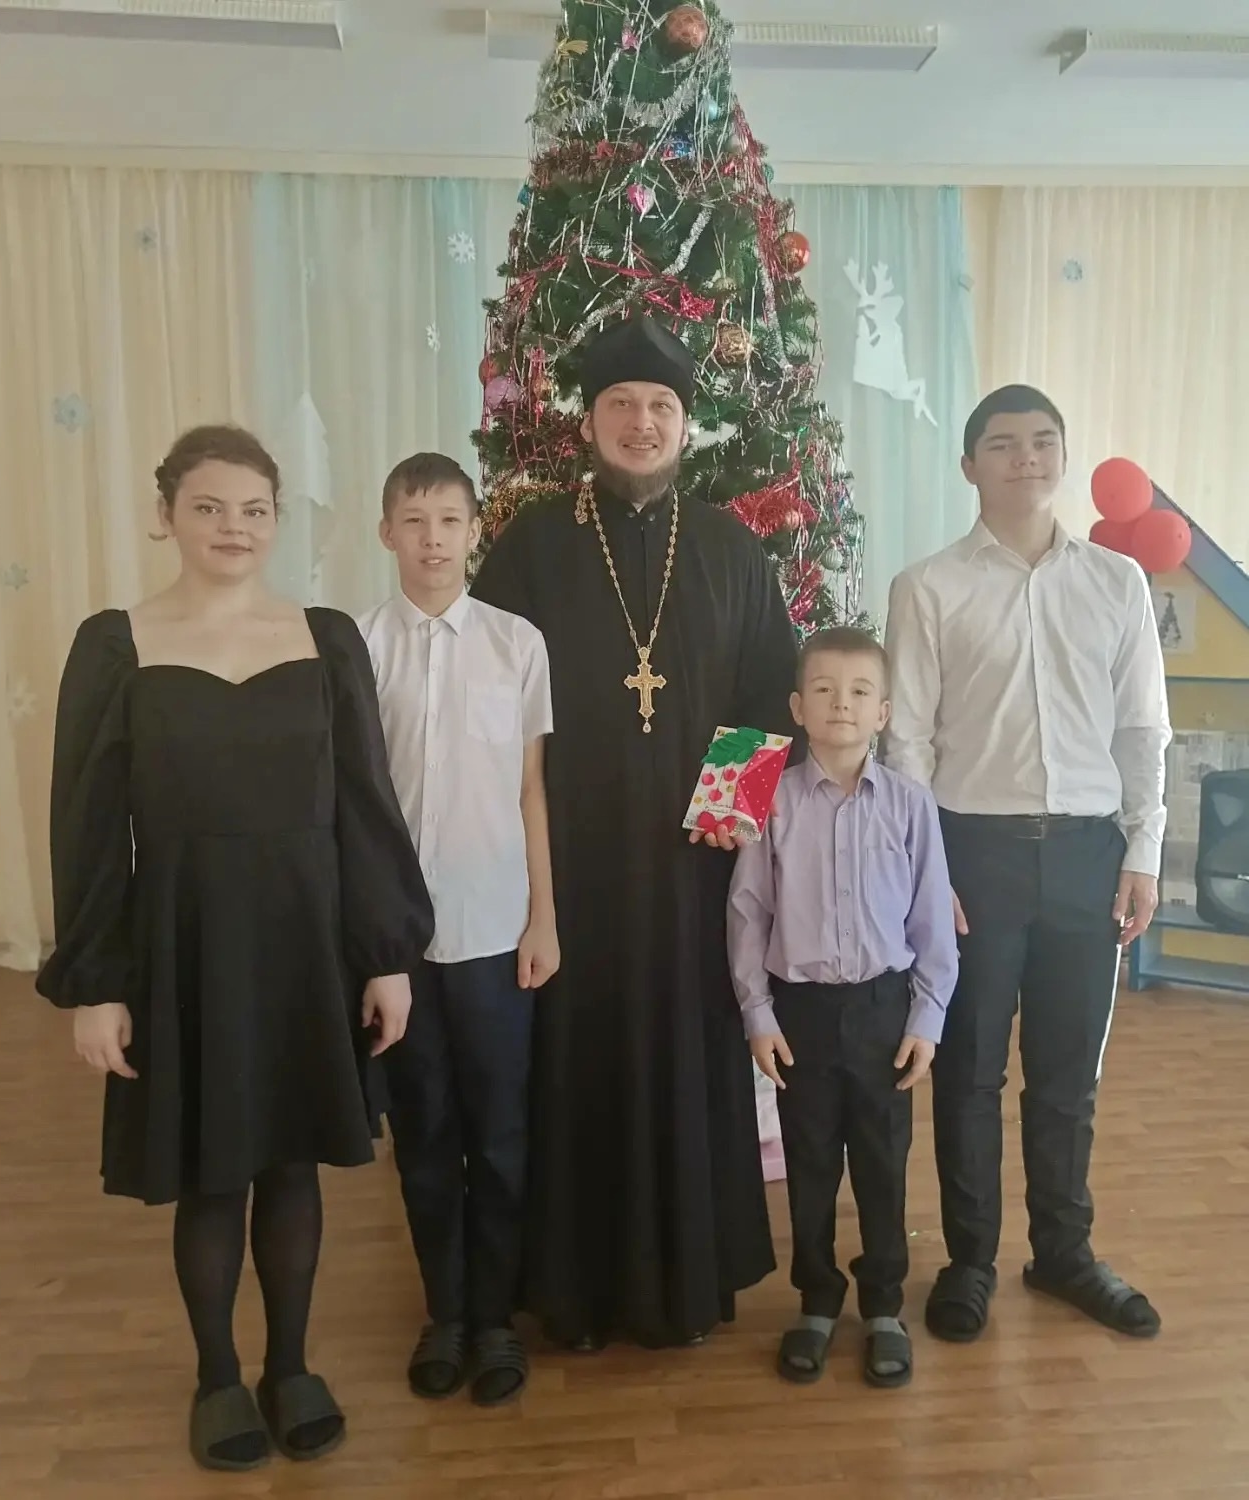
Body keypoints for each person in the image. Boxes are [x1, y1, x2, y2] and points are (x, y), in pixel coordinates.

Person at [36, 425, 434, 1472]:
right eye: (209, 507)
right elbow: (86, 826)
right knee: (213, 1174)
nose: (234, 527)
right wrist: (96, 983)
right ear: (165, 514)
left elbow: (366, 806)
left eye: (255, 510)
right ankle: (217, 1377)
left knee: (293, 1163)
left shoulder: (325, 638)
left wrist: (386, 953)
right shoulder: (115, 644)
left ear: (277, 520)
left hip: (306, 940)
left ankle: (289, 1366)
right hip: (186, 939)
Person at [470, 314, 799, 1349]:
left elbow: (769, 686)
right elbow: (488, 695)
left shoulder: (730, 547)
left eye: (660, 406)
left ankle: (687, 1283)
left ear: (685, 423)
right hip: (569, 861)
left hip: (694, 864)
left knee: (688, 1058)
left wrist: (729, 805)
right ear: (589, 421)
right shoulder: (531, 544)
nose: (641, 422)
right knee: (575, 1064)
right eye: (621, 404)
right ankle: (574, 1289)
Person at [884, 385, 1169, 1344]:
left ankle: (1064, 1254)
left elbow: (1142, 728)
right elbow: (908, 743)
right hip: (973, 857)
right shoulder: (927, 587)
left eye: (1043, 442)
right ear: (970, 465)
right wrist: (926, 873)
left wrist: (1143, 851)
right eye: (1003, 445)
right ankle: (969, 1260)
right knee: (967, 1073)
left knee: (1066, 1075)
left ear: (1062, 457)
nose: (1026, 459)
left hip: (1090, 855)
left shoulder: (1117, 583)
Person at [357, 453, 556, 1407]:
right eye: (414, 520)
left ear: (475, 532)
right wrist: (367, 942)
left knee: (502, 1133)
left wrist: (543, 916)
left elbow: (531, 790)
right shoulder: (357, 647)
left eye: (449, 521)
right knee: (426, 1131)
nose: (432, 539)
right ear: (386, 531)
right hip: (400, 947)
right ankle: (444, 1312)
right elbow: (353, 805)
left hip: (495, 929)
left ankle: (496, 1318)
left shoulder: (518, 644)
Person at [728, 627, 957, 1389]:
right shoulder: (767, 797)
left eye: (860, 692)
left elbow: (931, 921)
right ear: (797, 707)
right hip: (801, 1015)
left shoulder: (911, 804)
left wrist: (926, 1020)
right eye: (823, 690)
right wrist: (758, 1014)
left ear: (883, 712)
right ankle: (817, 1299)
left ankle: (884, 1304)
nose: (841, 705)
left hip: (884, 1011)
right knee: (812, 1162)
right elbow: (747, 911)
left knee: (884, 1164)